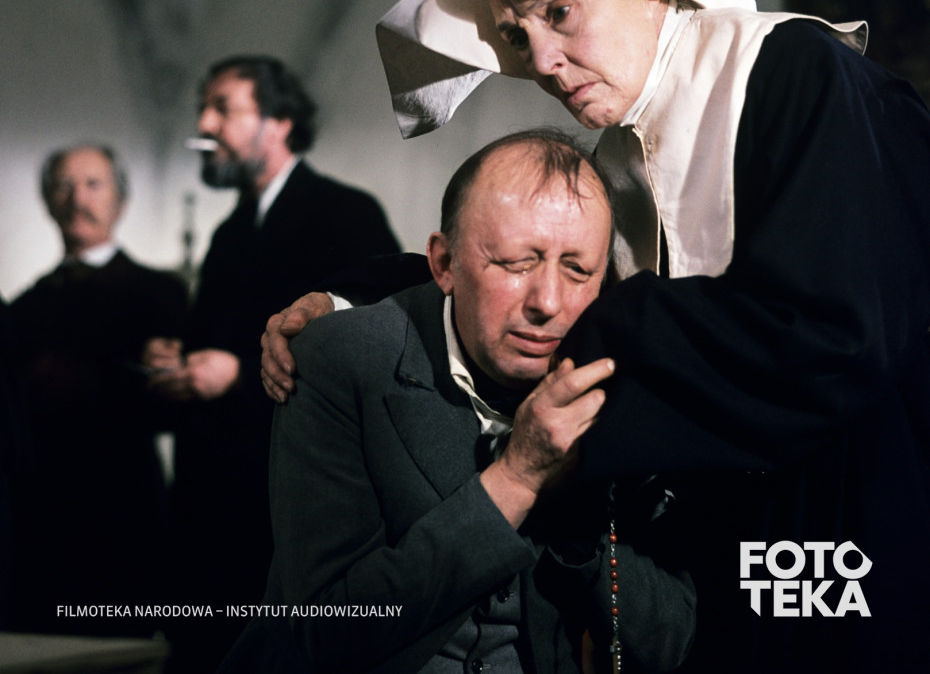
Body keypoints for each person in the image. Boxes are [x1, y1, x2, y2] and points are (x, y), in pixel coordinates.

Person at [262, 0, 930, 673]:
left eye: (559, 13)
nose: (542, 60)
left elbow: (836, 331)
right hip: (714, 538)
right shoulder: (623, 144)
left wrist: (615, 334)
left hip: (837, 516)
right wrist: (351, 298)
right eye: (516, 36)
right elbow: (539, 270)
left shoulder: (794, 70)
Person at [244, 130, 694, 674]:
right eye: (516, 263)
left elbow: (668, 643)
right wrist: (517, 480)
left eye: (578, 270)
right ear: (443, 263)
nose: (548, 303)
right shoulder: (338, 360)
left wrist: (583, 537)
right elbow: (327, 632)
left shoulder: (619, 388)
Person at [144, 54, 402, 673]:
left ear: (280, 121)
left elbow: (377, 350)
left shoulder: (346, 214)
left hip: (292, 514)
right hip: (216, 515)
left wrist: (235, 373)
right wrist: (181, 359)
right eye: (203, 109)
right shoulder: (229, 234)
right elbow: (216, 339)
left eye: (222, 109)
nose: (204, 124)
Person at [11, 145, 188, 636]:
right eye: (64, 186)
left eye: (93, 184)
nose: (78, 199)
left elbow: (174, 406)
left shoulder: (160, 292)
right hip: (42, 517)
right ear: (48, 201)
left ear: (120, 202)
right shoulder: (24, 308)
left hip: (124, 512)